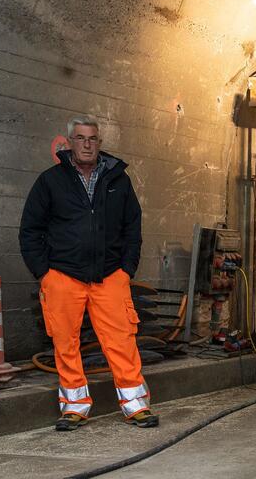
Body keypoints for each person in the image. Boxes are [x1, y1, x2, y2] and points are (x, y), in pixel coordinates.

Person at [19, 117, 157, 431]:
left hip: (109, 276)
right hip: (63, 276)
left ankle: (136, 405)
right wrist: (45, 273)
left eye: (92, 139)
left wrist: (126, 269)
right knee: (65, 343)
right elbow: (30, 231)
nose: (86, 144)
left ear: (99, 143)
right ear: (69, 143)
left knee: (121, 341)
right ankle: (74, 407)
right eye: (80, 138)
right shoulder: (50, 181)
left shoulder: (118, 180)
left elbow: (132, 228)